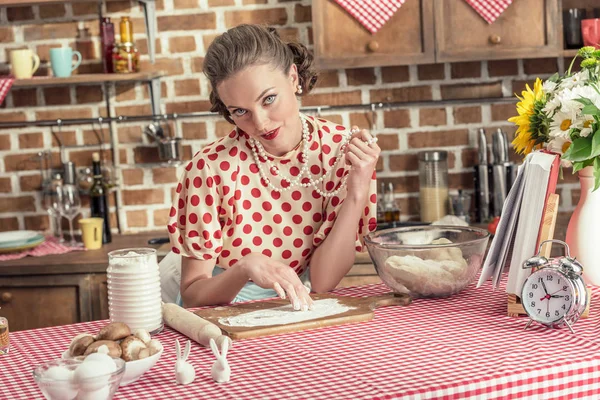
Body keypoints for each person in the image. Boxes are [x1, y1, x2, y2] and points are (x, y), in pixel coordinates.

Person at [167, 24, 380, 311]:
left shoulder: (341, 152)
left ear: (293, 78)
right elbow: (193, 295)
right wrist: (244, 268)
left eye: (269, 99)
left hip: (297, 307)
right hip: (221, 313)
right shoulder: (210, 168)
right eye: (240, 111)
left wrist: (358, 190)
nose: (261, 123)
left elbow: (322, 283)